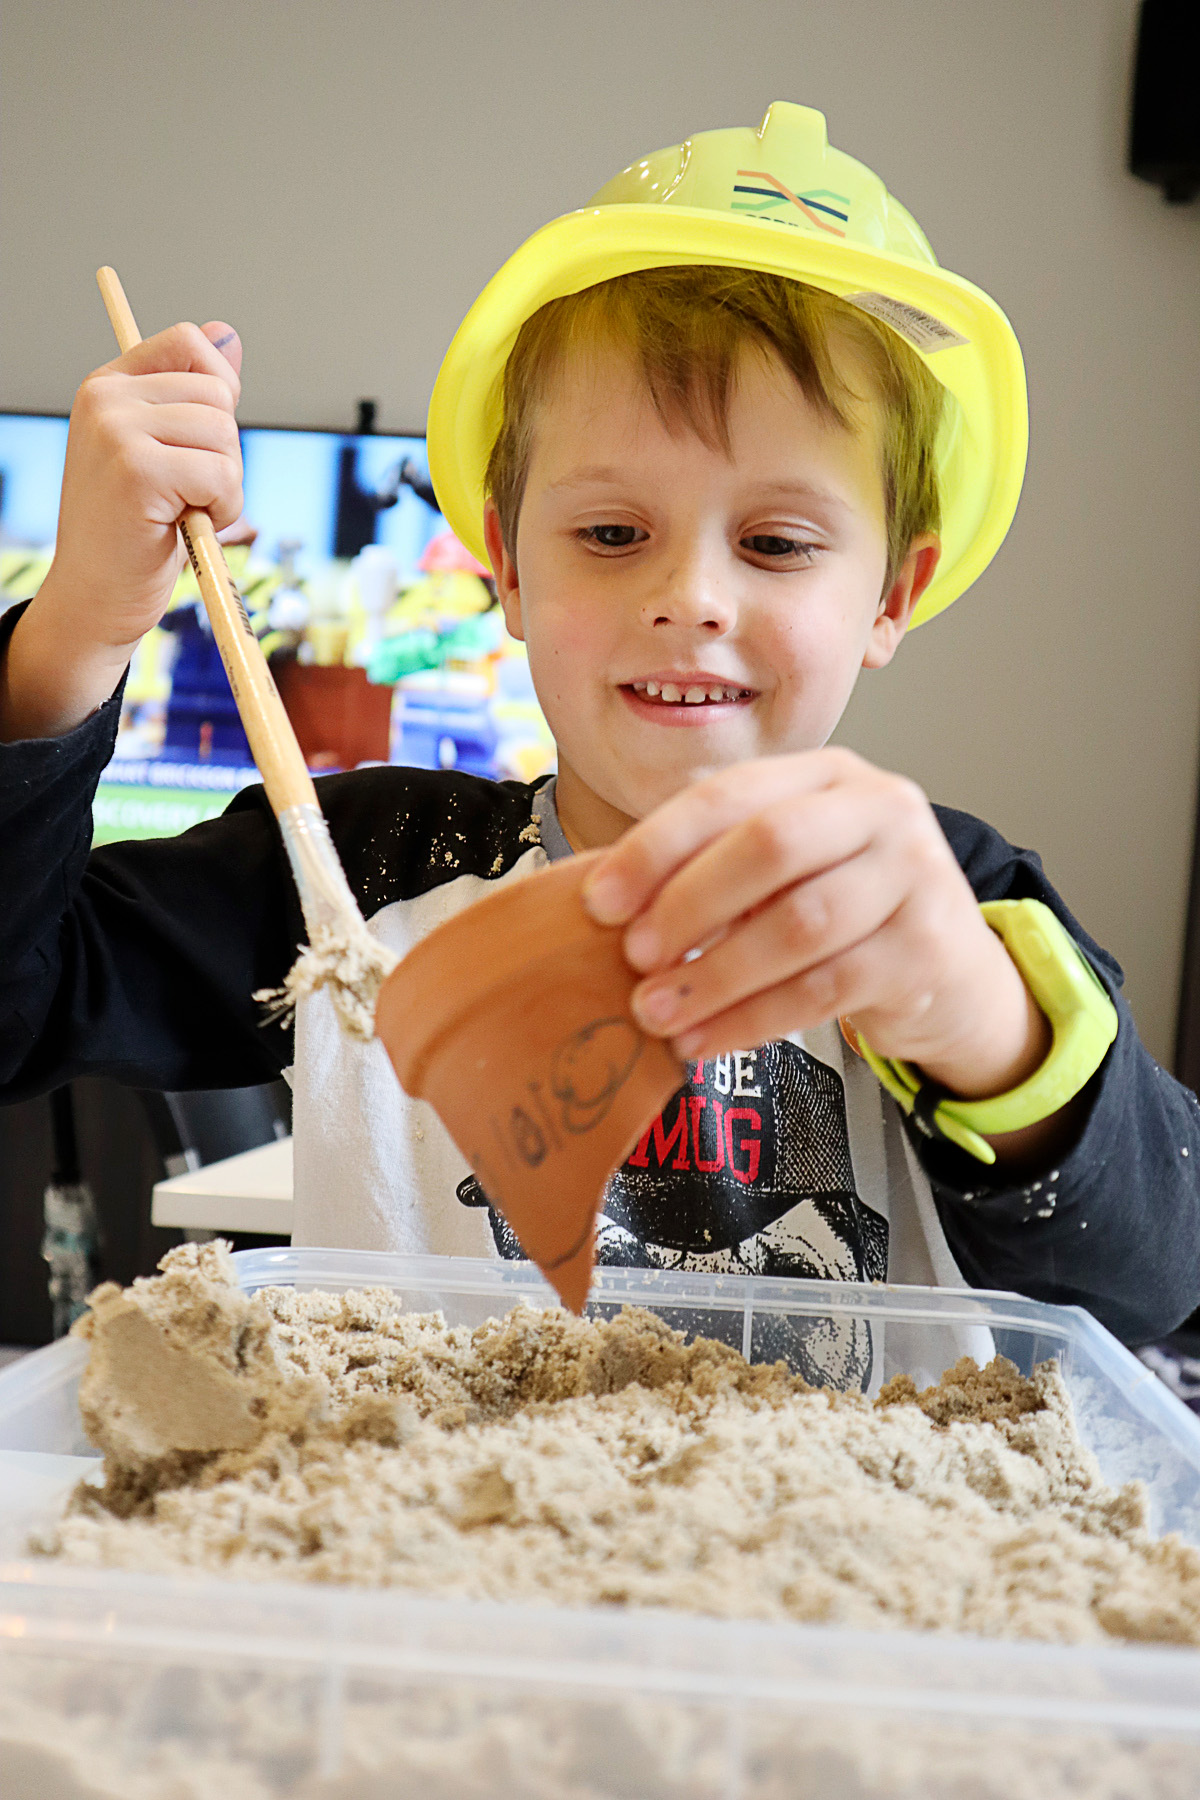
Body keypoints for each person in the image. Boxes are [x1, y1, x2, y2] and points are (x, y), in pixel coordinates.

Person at [1, 103, 1197, 1382]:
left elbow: (1152, 1278)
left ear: (890, 597)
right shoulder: (355, 877)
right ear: (509, 570)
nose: (692, 597)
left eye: (776, 543)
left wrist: (976, 1019)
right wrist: (81, 624)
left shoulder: (948, 906)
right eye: (614, 534)